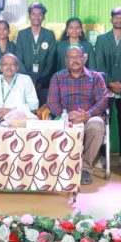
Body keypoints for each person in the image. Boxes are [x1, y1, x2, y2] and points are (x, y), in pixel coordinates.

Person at [47, 45, 108, 186]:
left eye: (78, 57)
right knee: (53, 127)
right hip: (65, 117)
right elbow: (52, 103)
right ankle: (60, 167)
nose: (75, 60)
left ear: (84, 59)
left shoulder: (95, 77)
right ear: (66, 60)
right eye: (71, 57)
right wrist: (67, 114)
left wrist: (88, 114)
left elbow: (103, 100)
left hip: (89, 117)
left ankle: (85, 168)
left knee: (97, 126)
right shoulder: (57, 77)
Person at [94, 7, 121, 169]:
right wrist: (109, 82)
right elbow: (99, 63)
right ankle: (104, 156)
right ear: (111, 19)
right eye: (115, 17)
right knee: (105, 121)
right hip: (106, 89)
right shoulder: (102, 39)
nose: (118, 20)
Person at [15, 2, 57, 106]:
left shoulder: (49, 34)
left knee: (42, 108)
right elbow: (18, 58)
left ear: (43, 17)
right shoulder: (22, 34)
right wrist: (27, 78)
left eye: (39, 14)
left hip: (44, 81)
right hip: (25, 79)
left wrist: (42, 79)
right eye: (33, 14)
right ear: (29, 16)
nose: (36, 17)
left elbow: (51, 60)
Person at [0, 53, 39, 118]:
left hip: (18, 120)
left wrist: (13, 111)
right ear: (1, 68)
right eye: (5, 64)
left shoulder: (26, 80)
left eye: (12, 64)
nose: (9, 67)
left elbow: (34, 104)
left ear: (17, 68)